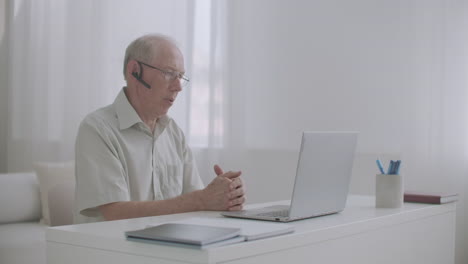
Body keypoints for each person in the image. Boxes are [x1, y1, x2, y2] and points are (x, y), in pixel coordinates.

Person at [73, 34, 245, 223]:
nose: (178, 86)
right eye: (170, 73)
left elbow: (197, 201)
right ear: (134, 71)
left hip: (168, 247)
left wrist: (224, 197)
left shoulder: (174, 132)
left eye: (180, 77)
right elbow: (115, 213)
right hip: (115, 249)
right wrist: (201, 199)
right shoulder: (97, 129)